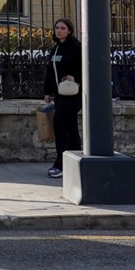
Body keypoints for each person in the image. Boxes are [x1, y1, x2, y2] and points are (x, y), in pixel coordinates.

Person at [43, 18, 83, 179]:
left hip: (74, 93)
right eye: (57, 28)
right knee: (71, 126)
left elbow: (85, 66)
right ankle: (76, 158)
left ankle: (60, 163)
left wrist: (76, 78)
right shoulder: (56, 48)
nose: (59, 30)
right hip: (60, 94)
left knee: (59, 122)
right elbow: (50, 72)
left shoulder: (76, 47)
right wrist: (47, 92)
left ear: (70, 31)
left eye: (63, 28)